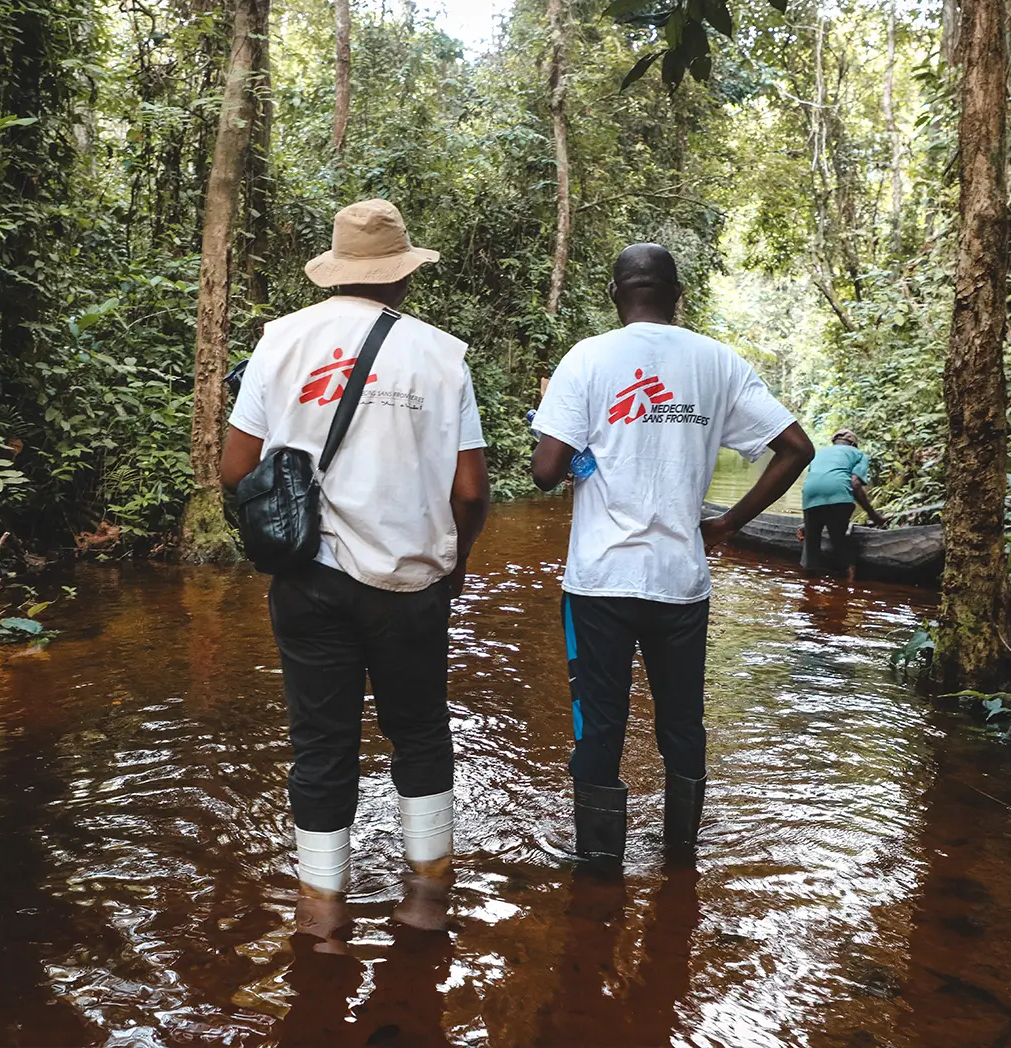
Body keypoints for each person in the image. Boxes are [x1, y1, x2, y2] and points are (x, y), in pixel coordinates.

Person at [220, 198, 490, 925]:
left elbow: (234, 465)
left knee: (319, 743)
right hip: (410, 583)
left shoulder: (280, 340)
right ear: (402, 276)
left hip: (307, 578)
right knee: (423, 731)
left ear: (336, 273)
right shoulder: (442, 354)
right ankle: (429, 897)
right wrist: (454, 568)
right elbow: (470, 489)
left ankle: (321, 911)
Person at [530, 243, 815, 868]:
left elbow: (547, 472)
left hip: (601, 583)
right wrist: (731, 524)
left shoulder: (586, 359)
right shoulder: (718, 362)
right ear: (677, 293)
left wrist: (556, 432)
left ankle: (599, 872)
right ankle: (681, 858)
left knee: (598, 728)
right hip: (681, 583)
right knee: (683, 725)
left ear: (614, 294)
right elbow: (797, 447)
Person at [799, 428, 888, 573]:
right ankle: (848, 580)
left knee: (811, 544)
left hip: (809, 495)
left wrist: (807, 522)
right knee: (839, 540)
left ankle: (809, 583)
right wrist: (873, 515)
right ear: (853, 444)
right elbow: (855, 484)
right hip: (838, 495)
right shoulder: (858, 454)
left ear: (834, 442)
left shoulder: (818, 454)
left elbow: (817, 479)